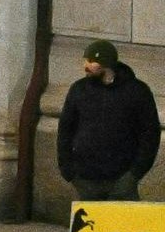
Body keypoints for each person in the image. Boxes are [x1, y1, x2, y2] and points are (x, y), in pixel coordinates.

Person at [58, 40, 159, 203]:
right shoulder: (79, 89)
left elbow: (150, 134)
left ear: (106, 64)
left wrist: (134, 174)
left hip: (122, 178)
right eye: (85, 60)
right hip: (85, 178)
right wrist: (68, 171)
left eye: (92, 61)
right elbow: (65, 130)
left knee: (123, 226)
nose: (86, 65)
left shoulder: (137, 91)